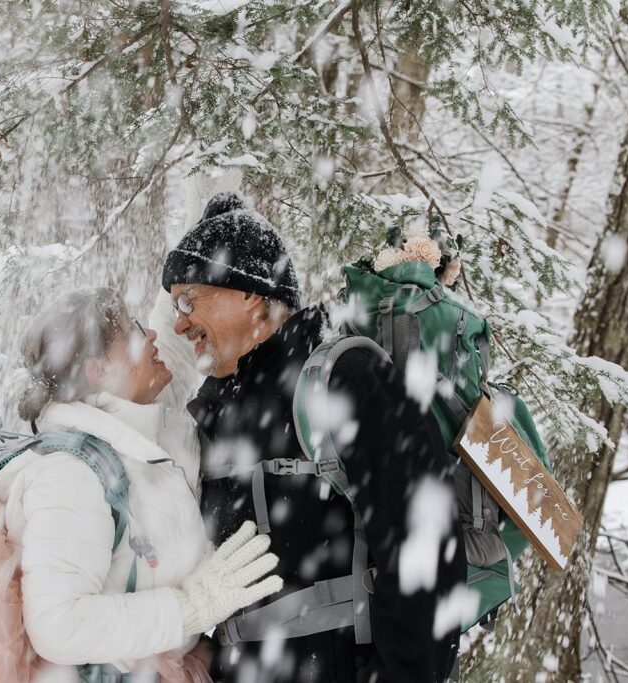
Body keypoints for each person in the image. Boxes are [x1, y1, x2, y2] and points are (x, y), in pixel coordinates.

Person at [160, 193, 467, 682]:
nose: (179, 322)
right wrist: (207, 651)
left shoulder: (344, 378)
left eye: (188, 301)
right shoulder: (212, 411)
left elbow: (426, 552)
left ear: (251, 294)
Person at [0, 287, 284, 681]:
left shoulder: (144, 428)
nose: (150, 336)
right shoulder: (69, 473)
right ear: (100, 371)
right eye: (134, 332)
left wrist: (188, 271)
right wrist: (193, 605)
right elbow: (59, 625)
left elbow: (172, 346)